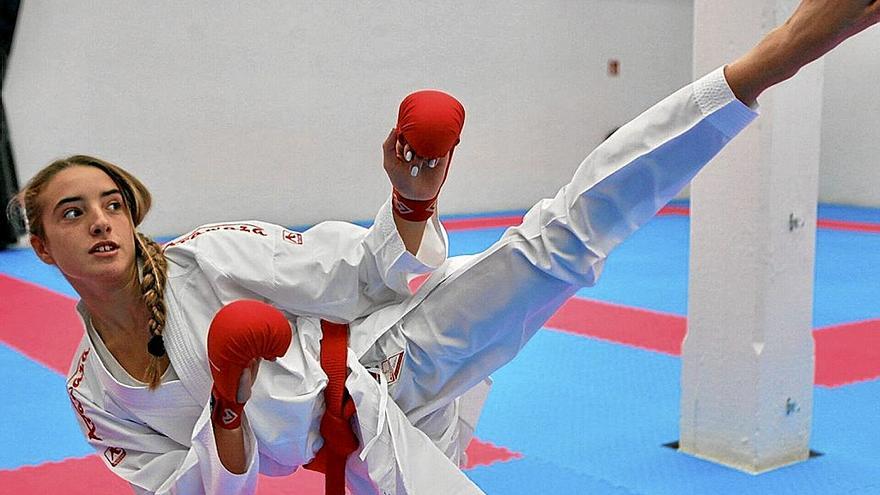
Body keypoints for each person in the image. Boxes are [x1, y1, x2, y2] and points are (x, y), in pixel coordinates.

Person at [9, 1, 880, 493]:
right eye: (73, 212)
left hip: (393, 359)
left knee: (559, 240)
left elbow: (361, 274)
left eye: (113, 202)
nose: (101, 221)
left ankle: (767, 60)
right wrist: (229, 405)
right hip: (363, 443)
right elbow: (201, 492)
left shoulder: (205, 257)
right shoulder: (96, 396)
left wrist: (410, 200)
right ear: (40, 244)